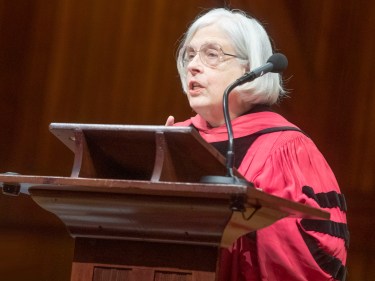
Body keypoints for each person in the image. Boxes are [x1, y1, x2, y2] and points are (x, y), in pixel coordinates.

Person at [165, 7, 348, 281]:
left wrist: (243, 222)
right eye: (190, 55)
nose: (193, 65)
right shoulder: (173, 138)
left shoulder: (288, 148)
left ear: (250, 69)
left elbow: (326, 252)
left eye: (211, 54)